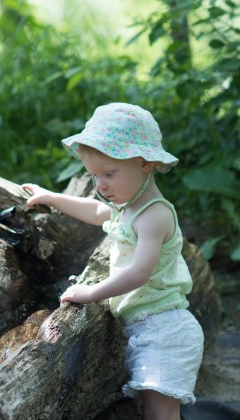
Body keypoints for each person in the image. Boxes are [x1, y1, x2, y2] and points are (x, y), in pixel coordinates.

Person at [21, 103, 204, 420]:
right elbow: (94, 211)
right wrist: (51, 197)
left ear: (145, 163)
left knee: (160, 414)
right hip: (146, 327)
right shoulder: (127, 207)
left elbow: (139, 272)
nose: (100, 185)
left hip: (166, 332)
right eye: (94, 175)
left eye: (109, 174)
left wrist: (92, 293)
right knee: (152, 410)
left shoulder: (154, 215)